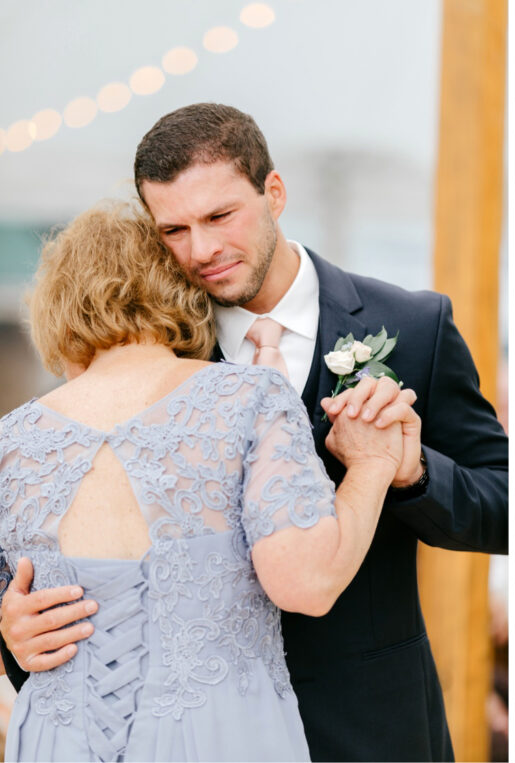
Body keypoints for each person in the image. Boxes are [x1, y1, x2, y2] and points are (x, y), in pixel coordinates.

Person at [0, 103, 509, 762]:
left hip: (374, 720)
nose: (202, 249)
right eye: (174, 229)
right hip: (200, 732)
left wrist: (407, 472)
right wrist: (17, 631)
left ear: (274, 191)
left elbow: (500, 507)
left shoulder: (413, 325)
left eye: (220, 217)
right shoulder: (154, 351)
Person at [0, 201, 407, 760]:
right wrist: (372, 467)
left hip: (58, 741)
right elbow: (305, 584)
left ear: (56, 309)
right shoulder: (248, 397)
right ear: (180, 289)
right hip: (219, 734)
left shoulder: (11, 441)